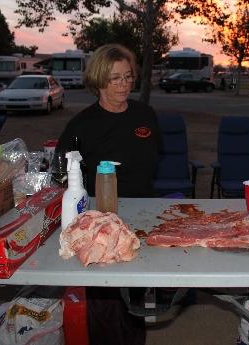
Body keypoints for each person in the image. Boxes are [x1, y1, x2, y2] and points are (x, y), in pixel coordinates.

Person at [56, 43, 161, 345]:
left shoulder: (146, 115)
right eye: (115, 78)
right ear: (99, 80)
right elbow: (63, 174)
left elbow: (151, 162)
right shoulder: (82, 125)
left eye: (128, 76)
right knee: (105, 298)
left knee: (134, 294)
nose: (124, 84)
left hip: (143, 212)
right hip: (100, 217)